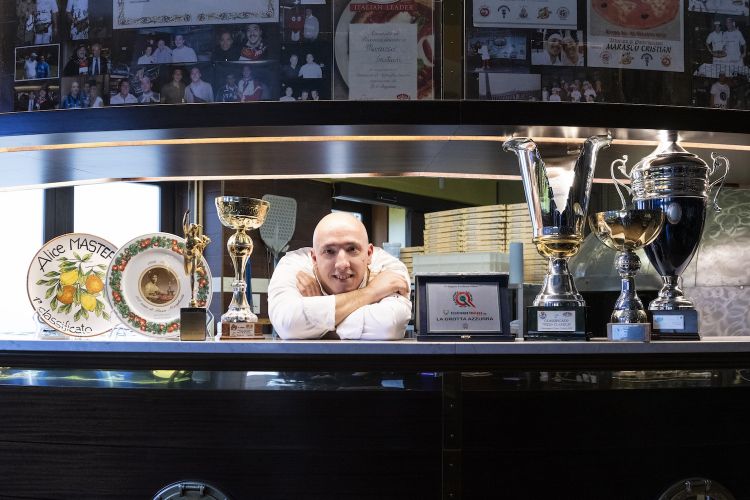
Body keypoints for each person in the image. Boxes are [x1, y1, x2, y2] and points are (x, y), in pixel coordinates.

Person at [267, 212, 411, 340]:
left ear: (369, 254)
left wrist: (313, 323)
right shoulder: (293, 265)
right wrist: (371, 292)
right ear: (314, 258)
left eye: (352, 249)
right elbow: (287, 324)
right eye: (329, 251)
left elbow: (388, 327)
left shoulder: (389, 268)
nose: (342, 265)